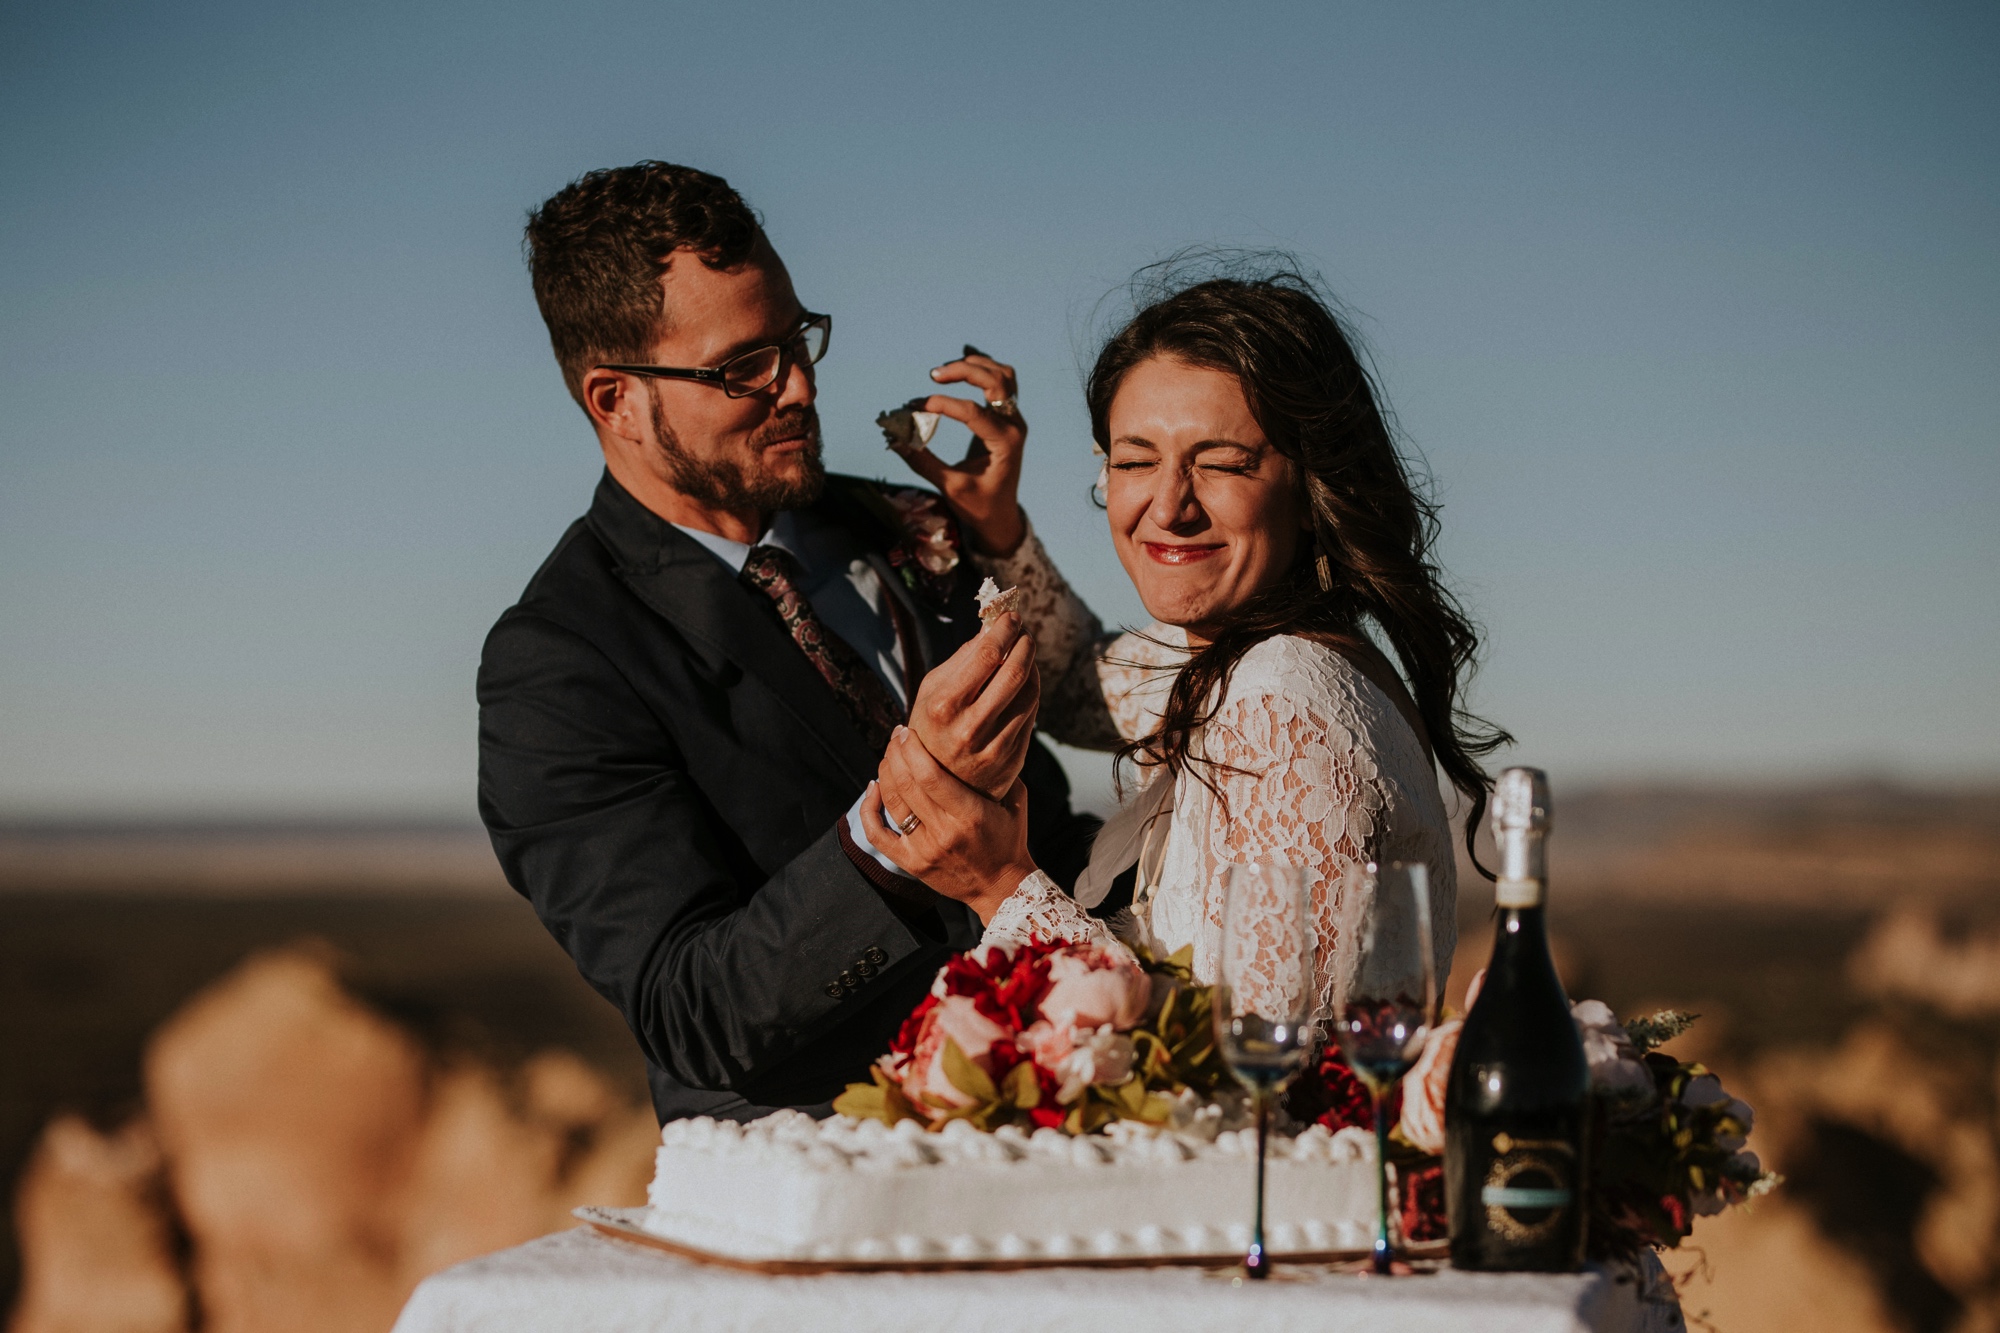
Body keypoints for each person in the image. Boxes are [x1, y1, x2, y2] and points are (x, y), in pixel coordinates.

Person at [476, 161, 1098, 1124]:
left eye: (798, 339)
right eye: (742, 368)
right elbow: (694, 1011)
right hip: (835, 1189)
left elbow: (1052, 824)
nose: (801, 388)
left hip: (1079, 1108)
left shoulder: (906, 522)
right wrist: (897, 820)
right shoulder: (557, 662)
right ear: (614, 400)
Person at [865, 262, 1510, 1014]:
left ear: (1312, 488)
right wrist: (995, 522)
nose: (1168, 506)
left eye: (1223, 463)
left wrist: (997, 885)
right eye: (1135, 460)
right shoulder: (1241, 658)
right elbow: (1079, 680)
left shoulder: (1283, 706)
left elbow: (1257, 1067)